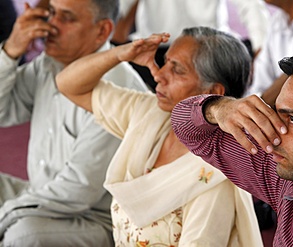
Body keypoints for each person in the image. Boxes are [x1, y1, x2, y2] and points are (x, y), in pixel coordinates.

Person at [56, 27, 263, 246]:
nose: (159, 75)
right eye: (165, 62)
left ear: (214, 93)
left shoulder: (214, 178)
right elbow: (68, 84)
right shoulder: (150, 114)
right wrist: (119, 54)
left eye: (178, 70)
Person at [171, 44, 293, 246]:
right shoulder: (287, 183)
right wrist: (221, 108)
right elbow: (186, 126)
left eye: (292, 119)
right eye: (276, 113)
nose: (274, 133)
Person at [0, 0, 148, 246]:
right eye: (51, 12)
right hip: (44, 197)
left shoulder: (117, 90)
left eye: (66, 18)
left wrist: (7, 214)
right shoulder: (48, 65)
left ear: (101, 31)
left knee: (23, 236)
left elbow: (79, 190)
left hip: (97, 218)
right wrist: (10, 51)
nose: (51, 25)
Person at [113, 0, 269, 91]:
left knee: (241, 55)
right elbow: (119, 17)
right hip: (157, 49)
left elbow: (251, 6)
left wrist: (259, 52)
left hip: (210, 48)